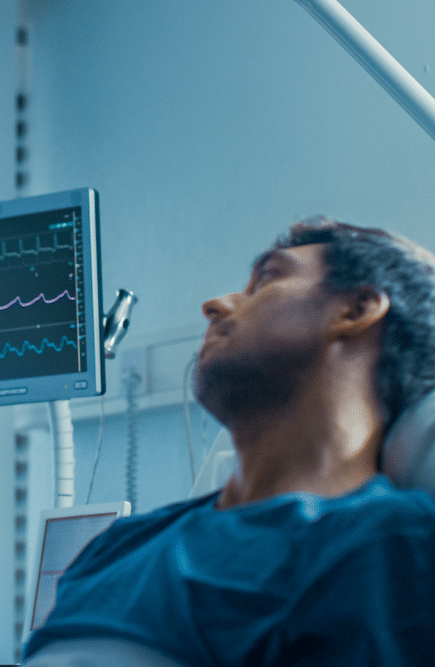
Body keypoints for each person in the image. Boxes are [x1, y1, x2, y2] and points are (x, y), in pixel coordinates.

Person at [24, 218, 435, 666]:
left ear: (356, 310)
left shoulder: (385, 545)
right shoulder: (116, 546)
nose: (214, 304)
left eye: (266, 279)